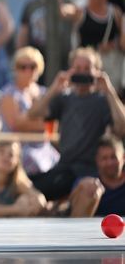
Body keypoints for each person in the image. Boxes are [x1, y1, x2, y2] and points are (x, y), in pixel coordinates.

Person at [27, 47, 125, 201]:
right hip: (64, 167)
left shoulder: (102, 100)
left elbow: (122, 126)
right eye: (78, 68)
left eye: (87, 68)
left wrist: (109, 91)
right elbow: (33, 114)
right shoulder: (65, 98)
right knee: (31, 189)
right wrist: (54, 88)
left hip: (89, 169)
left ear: (96, 70)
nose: (82, 72)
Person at [0, 47, 59, 176]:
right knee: (34, 163)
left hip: (44, 147)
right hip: (18, 148)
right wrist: (42, 123)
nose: (28, 70)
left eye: (32, 66)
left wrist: (28, 120)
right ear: (15, 69)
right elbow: (16, 125)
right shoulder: (8, 94)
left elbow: (52, 128)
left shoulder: (43, 92)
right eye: (22, 66)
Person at [16, 0, 76, 80]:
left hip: (62, 62)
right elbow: (22, 36)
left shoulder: (68, 1)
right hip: (35, 64)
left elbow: (66, 13)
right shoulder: (31, 5)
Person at [75, 0, 125, 94]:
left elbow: (123, 41)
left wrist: (114, 44)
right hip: (88, 67)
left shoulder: (115, 12)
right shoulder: (81, 12)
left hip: (112, 68)